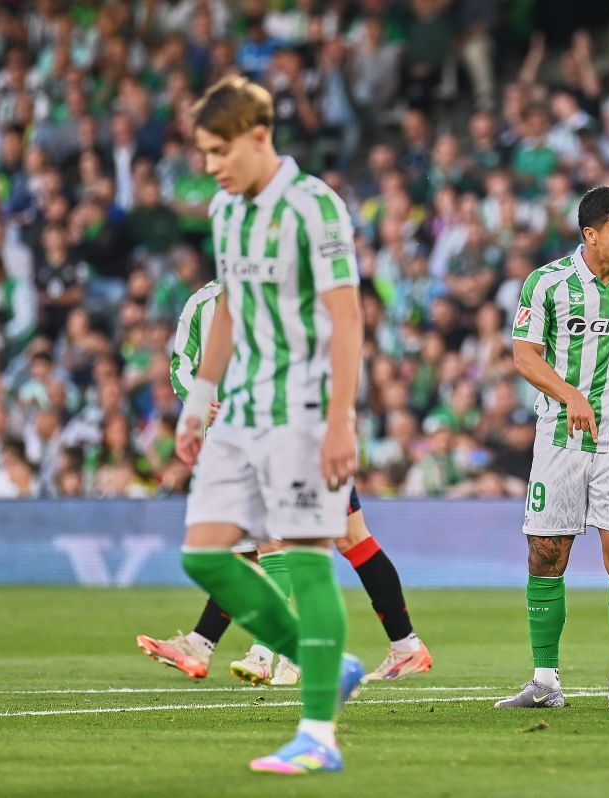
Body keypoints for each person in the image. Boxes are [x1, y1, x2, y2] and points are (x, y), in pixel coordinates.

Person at [173, 75, 364, 774]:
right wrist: (200, 400)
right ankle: (323, 658)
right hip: (240, 410)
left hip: (304, 410)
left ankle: (319, 735)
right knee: (204, 555)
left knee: (307, 557)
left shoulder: (316, 208)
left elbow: (347, 317)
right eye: (203, 152)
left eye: (220, 150)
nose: (211, 165)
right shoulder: (226, 212)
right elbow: (225, 313)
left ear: (260, 135)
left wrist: (341, 420)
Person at [137, 281, 432, 686]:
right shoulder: (220, 301)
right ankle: (402, 646)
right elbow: (191, 363)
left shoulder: (302, 292)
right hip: (277, 434)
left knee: (279, 545)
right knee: (336, 541)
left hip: (301, 433)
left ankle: (273, 654)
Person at [496, 185, 609, 711]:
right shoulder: (547, 283)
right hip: (560, 438)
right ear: (591, 234)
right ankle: (545, 680)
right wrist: (569, 393)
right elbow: (525, 356)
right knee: (546, 553)